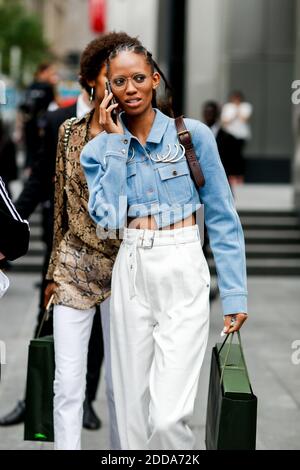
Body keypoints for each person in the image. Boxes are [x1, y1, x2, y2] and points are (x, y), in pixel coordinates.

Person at [81, 42, 248, 450]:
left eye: (139, 77)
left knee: (170, 417)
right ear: (108, 89)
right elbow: (107, 220)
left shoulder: (194, 136)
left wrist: (234, 293)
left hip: (182, 261)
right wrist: (117, 146)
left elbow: (223, 217)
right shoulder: (99, 150)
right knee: (133, 414)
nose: (131, 88)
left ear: (154, 80)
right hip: (133, 267)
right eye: (119, 81)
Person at [43, 32, 143, 451]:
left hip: (125, 265)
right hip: (74, 266)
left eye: (126, 80)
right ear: (91, 84)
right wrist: (51, 274)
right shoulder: (68, 133)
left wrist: (115, 140)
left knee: (122, 386)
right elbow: (61, 208)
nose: (120, 89)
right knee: (67, 382)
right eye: (111, 80)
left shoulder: (142, 133)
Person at [0, 91, 102, 430]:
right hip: (63, 247)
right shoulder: (62, 120)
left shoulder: (123, 119)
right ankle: (33, 400)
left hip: (109, 251)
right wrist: (13, 226)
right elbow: (41, 177)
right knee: (45, 322)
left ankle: (85, 400)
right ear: (89, 80)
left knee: (98, 332)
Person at [20, 62, 59, 171]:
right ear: (44, 72)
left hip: (29, 125)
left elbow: (23, 107)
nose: (53, 76)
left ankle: (28, 173)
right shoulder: (48, 87)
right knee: (42, 153)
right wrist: (54, 85)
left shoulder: (31, 86)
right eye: (51, 73)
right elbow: (57, 102)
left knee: (29, 154)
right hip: (42, 126)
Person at [221, 91, 252, 184]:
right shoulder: (228, 107)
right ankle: (231, 176)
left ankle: (240, 176)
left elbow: (244, 119)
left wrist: (237, 110)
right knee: (230, 156)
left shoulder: (246, 106)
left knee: (239, 156)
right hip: (230, 135)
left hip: (241, 135)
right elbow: (225, 121)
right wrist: (234, 113)